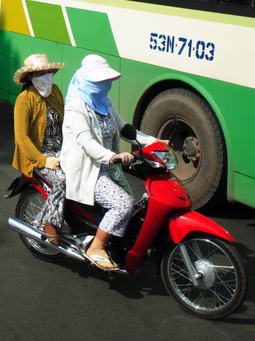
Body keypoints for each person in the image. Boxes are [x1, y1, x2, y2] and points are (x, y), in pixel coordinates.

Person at [60, 55, 158, 271]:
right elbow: (86, 141)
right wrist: (112, 156)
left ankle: (113, 239)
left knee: (135, 205)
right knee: (123, 203)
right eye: (99, 81)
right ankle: (96, 247)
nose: (104, 85)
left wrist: (155, 142)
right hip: (87, 168)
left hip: (106, 166)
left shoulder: (105, 103)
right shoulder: (76, 107)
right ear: (85, 80)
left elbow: (125, 130)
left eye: (106, 80)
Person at [11, 53, 67, 245]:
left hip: (62, 150)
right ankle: (49, 223)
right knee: (61, 181)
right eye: (40, 73)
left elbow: (65, 123)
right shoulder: (24, 100)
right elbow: (22, 138)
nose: (46, 76)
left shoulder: (57, 92)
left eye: (48, 72)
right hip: (39, 156)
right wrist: (44, 160)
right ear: (30, 78)